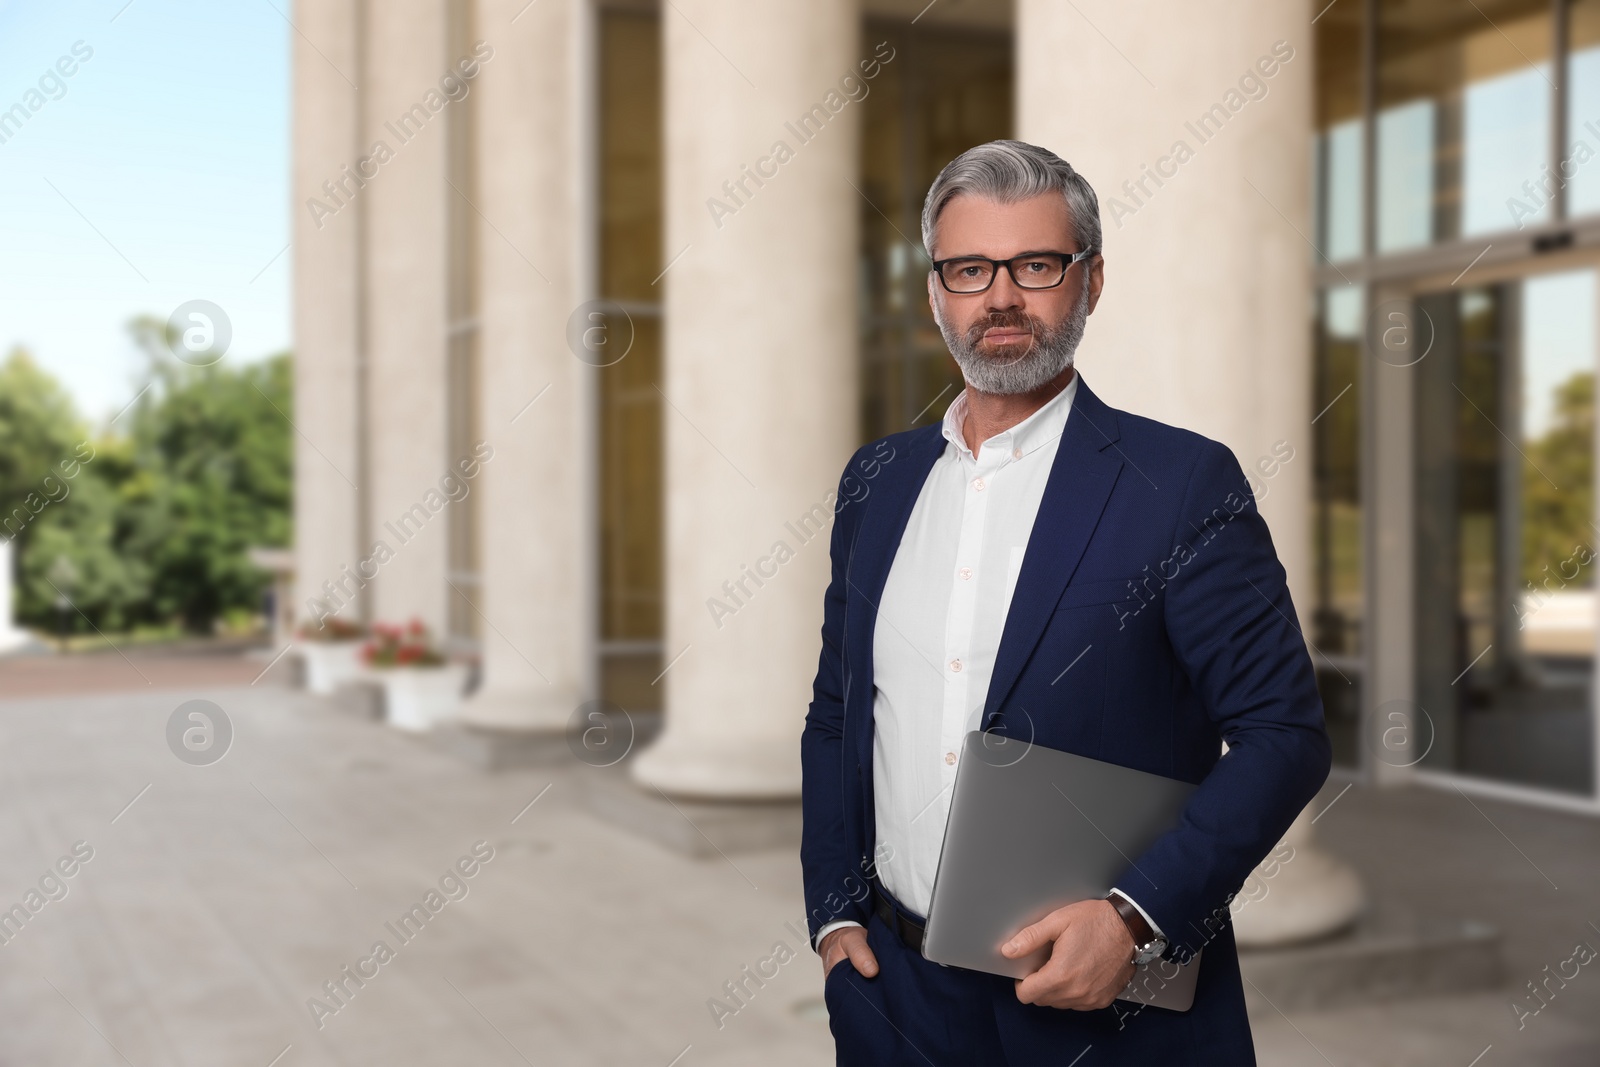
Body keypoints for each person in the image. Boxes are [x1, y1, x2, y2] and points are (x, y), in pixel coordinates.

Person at [799, 139, 1331, 1065]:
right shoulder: (876, 482)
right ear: (936, 293)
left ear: (1088, 282)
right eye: (970, 269)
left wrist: (1135, 917)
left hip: (1105, 1011)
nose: (1000, 296)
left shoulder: (1180, 485)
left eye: (1035, 264)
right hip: (894, 999)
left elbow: (1285, 734)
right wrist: (835, 915)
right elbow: (839, 710)